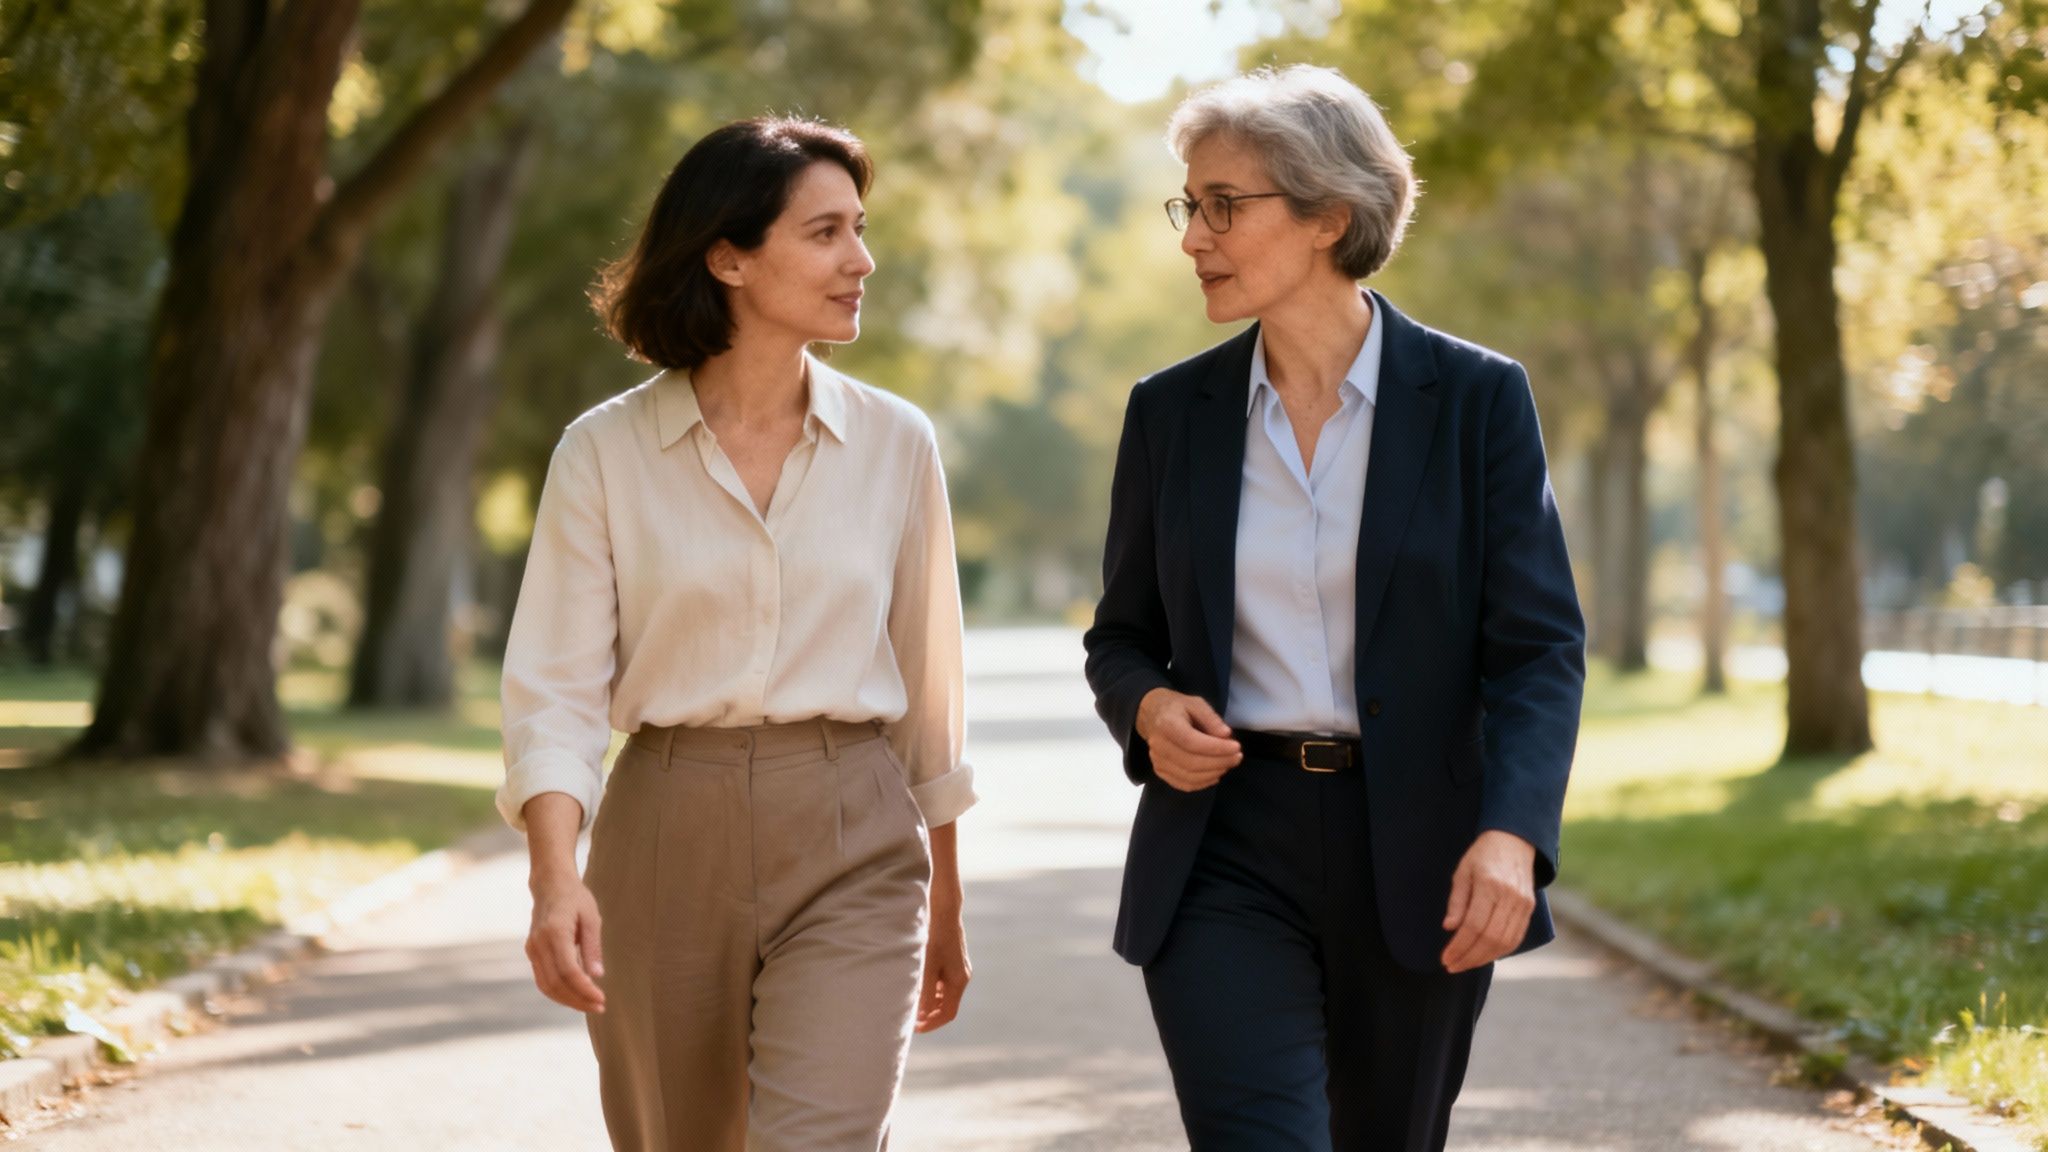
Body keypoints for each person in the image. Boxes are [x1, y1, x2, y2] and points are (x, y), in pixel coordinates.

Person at [1082, 66, 1586, 1152]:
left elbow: (1538, 649)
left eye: (1224, 205)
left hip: (1416, 853)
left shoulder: (1474, 401)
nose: (1192, 237)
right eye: (1189, 206)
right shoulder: (1170, 415)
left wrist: (1510, 835)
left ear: (1328, 216)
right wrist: (1147, 711)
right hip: (1222, 845)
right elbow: (1120, 636)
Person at [497, 116, 977, 1152]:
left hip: (853, 830)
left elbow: (931, 691)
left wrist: (946, 902)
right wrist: (554, 878)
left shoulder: (896, 443)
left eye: (859, 229)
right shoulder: (603, 453)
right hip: (666, 831)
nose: (861, 260)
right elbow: (556, 687)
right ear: (728, 255)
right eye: (824, 233)